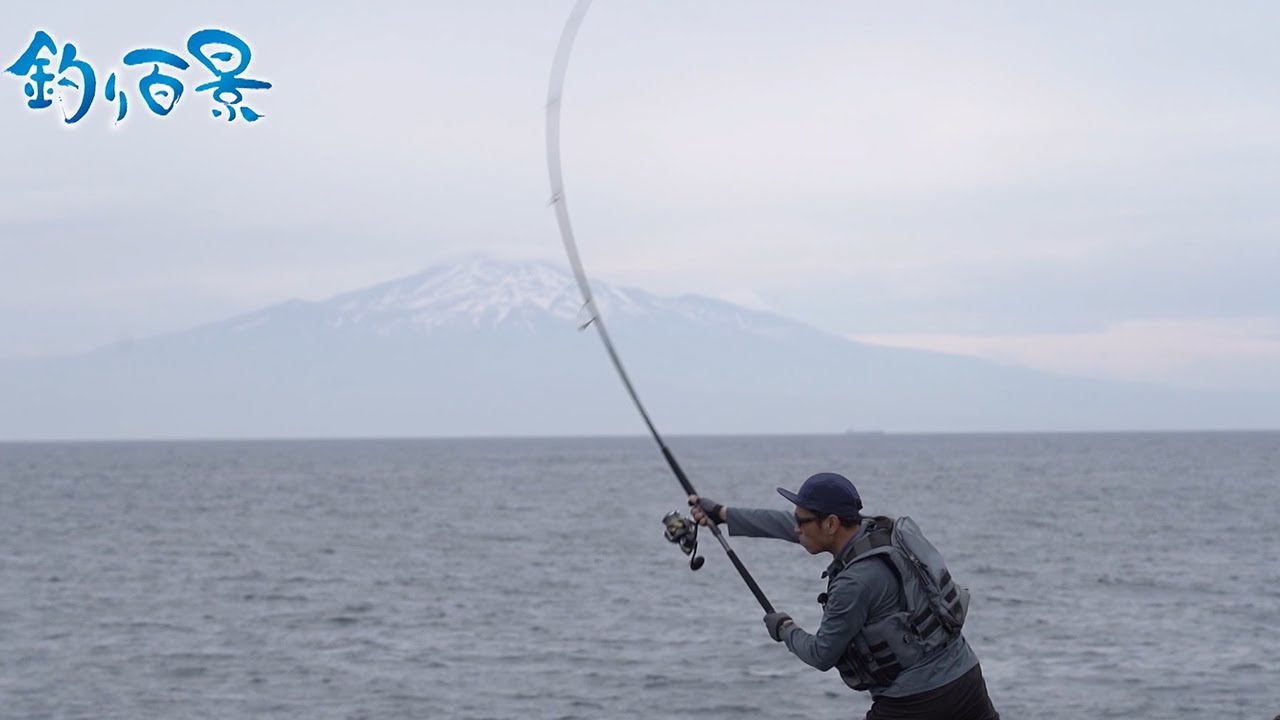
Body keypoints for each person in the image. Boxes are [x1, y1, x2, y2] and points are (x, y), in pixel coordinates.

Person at [690, 472, 1000, 720]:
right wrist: (723, 514)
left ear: (831, 523)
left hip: (913, 704)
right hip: (967, 680)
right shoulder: (878, 531)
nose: (796, 527)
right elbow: (792, 527)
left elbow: (822, 654)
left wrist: (784, 628)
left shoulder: (853, 584)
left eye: (802, 520)